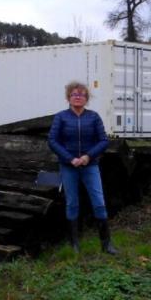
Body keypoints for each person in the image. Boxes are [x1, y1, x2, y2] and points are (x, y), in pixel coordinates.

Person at [47, 81, 117, 255]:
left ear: (87, 98)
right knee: (72, 203)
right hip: (68, 166)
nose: (78, 97)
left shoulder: (93, 117)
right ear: (68, 98)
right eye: (74, 94)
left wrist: (87, 156)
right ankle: (74, 244)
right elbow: (52, 140)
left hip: (90, 165)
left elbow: (103, 141)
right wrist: (70, 158)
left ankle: (106, 244)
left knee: (99, 202)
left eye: (82, 95)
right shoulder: (61, 117)